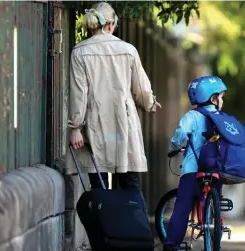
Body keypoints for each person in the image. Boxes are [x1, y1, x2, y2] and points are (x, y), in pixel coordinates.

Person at [68, 2, 161, 211]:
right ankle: (135, 234)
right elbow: (141, 88)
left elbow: (78, 94)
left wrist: (75, 127)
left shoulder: (79, 52)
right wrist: (151, 103)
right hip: (123, 125)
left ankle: (105, 237)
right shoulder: (128, 50)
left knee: (98, 187)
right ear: (111, 24)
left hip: (95, 126)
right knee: (129, 184)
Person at [163, 75, 227, 251]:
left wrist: (173, 148)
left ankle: (170, 246)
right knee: (215, 208)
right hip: (216, 170)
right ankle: (215, 240)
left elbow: (180, 134)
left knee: (182, 208)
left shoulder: (192, 115)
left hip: (193, 170)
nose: (221, 101)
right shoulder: (223, 118)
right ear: (212, 98)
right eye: (220, 97)